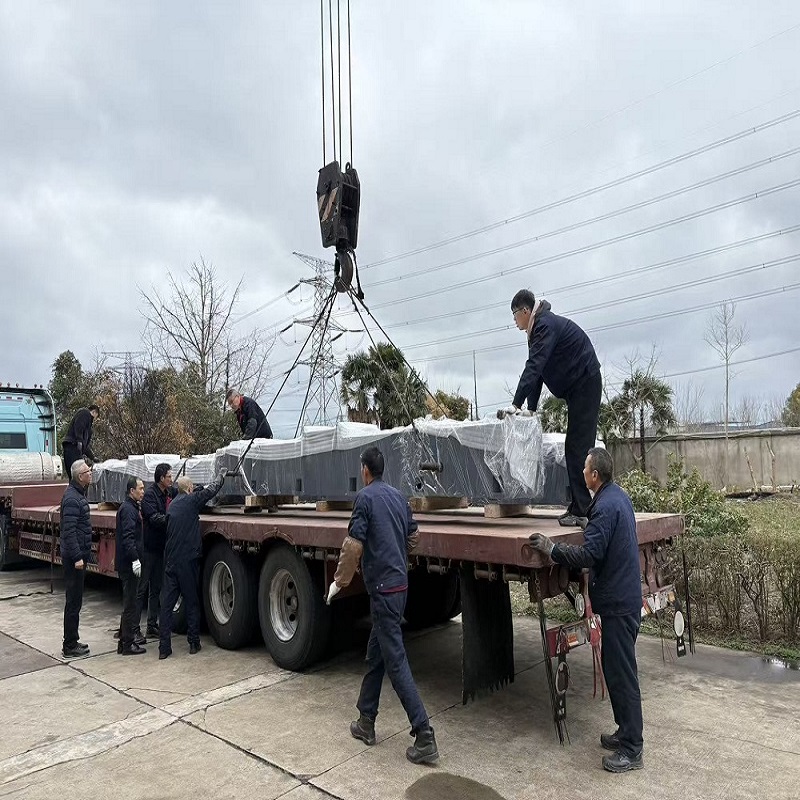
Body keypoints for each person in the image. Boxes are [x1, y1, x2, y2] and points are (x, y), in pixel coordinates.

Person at [528, 447, 644, 773]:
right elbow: (605, 536)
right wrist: (588, 522)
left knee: (622, 675)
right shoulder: (616, 498)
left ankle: (632, 749)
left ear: (594, 476)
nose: (581, 473)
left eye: (584, 469)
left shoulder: (605, 507)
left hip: (619, 604)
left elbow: (589, 555)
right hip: (622, 599)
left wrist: (553, 549)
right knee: (615, 669)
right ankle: (625, 732)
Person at [329, 446, 438, 765]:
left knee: (396, 661)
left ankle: (424, 734)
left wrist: (339, 582)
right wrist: (395, 553)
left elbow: (353, 546)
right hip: (399, 587)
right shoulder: (398, 497)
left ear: (365, 469)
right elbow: (414, 537)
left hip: (383, 591)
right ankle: (366, 721)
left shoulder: (365, 499)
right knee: (376, 654)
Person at [504, 289, 601, 527]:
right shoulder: (538, 328)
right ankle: (580, 507)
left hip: (585, 382)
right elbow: (539, 371)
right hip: (578, 385)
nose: (514, 320)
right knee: (575, 447)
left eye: (515, 315)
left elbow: (534, 366)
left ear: (525, 311)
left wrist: (516, 403)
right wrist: (531, 408)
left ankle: (584, 510)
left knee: (577, 448)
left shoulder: (544, 326)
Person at [158, 468, 226, 660]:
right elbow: (210, 491)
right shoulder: (192, 501)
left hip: (171, 561)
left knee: (167, 606)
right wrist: (221, 476)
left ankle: (164, 648)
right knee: (191, 602)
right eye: (193, 487)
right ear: (189, 488)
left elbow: (199, 492)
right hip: (187, 561)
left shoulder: (173, 505)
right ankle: (194, 643)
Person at [59, 459, 94, 658]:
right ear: (80, 477)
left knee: (76, 601)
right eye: (88, 471)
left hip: (77, 555)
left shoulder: (78, 494)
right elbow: (69, 532)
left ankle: (73, 639)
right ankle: (69, 645)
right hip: (74, 559)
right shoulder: (72, 498)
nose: (90, 473)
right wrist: (77, 557)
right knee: (73, 602)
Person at [136, 463, 174, 639]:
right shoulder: (150, 495)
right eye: (169, 477)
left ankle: (152, 625)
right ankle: (134, 628)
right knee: (142, 588)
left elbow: (182, 494)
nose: (171, 479)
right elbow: (153, 518)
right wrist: (172, 519)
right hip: (148, 549)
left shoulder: (168, 492)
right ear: (161, 478)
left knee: (156, 588)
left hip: (160, 549)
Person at [116, 477, 146, 655]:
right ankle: (128, 644)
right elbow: (128, 538)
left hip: (129, 563)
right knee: (130, 604)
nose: (143, 492)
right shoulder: (128, 510)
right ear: (131, 491)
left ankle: (123, 641)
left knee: (130, 603)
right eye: (140, 489)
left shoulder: (132, 507)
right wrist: (135, 559)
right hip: (128, 565)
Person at [62, 405, 100, 475]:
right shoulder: (85, 413)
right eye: (96, 417)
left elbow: (85, 446)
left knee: (76, 475)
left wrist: (92, 457)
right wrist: (79, 440)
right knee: (77, 473)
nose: (94, 420)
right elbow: (79, 425)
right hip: (72, 445)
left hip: (74, 448)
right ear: (94, 412)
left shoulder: (88, 430)